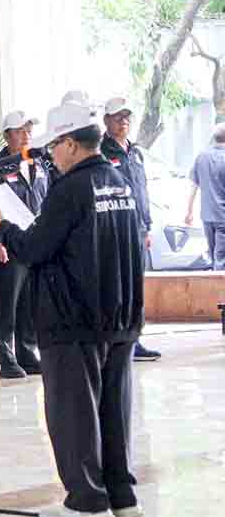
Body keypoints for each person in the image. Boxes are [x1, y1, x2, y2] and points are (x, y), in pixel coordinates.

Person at [0, 98, 144, 517]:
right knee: (113, 410)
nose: (50, 154)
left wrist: (1, 225)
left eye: (54, 145)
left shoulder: (71, 189)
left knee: (74, 413)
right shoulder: (119, 181)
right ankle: (121, 494)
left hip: (73, 320)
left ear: (71, 144)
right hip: (120, 319)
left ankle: (87, 501)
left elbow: (35, 248)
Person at [0, 110, 49, 378]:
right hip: (8, 243)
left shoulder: (38, 163)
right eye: (20, 131)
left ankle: (26, 350)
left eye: (29, 130)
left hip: (33, 242)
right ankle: (6, 354)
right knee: (7, 301)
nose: (26, 135)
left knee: (28, 302)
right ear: (7, 135)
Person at [100, 96, 160, 362]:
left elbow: (142, 190)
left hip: (137, 229)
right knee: (117, 285)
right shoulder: (102, 152)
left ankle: (135, 337)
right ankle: (118, 338)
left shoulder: (135, 152)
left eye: (127, 117)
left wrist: (146, 227)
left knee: (136, 286)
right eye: (117, 117)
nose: (123, 122)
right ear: (106, 121)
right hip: (114, 230)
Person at [185, 123, 225, 270]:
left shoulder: (201, 156)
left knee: (215, 256)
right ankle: (219, 291)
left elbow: (193, 186)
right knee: (221, 259)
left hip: (207, 217)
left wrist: (189, 212)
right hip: (222, 218)